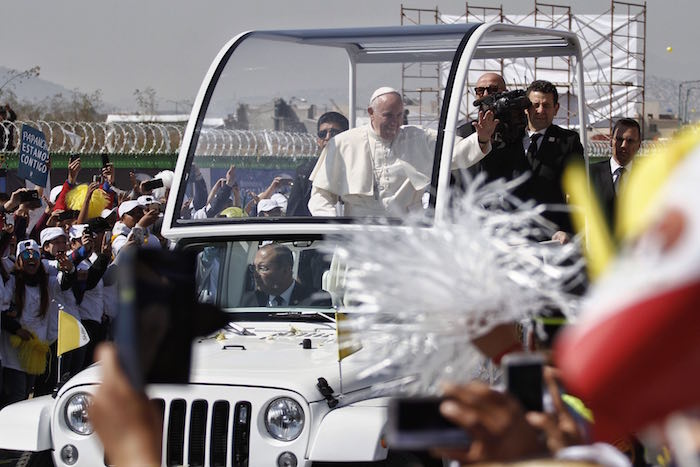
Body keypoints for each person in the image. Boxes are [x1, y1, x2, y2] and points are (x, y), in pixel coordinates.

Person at [308, 87, 495, 217]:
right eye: (388, 116)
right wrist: (332, 225)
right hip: (359, 237)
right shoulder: (343, 144)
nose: (394, 122)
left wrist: (481, 138)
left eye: (399, 116)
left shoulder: (418, 137)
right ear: (371, 112)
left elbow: (455, 153)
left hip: (405, 236)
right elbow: (321, 194)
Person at [286, 112, 349, 217]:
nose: (328, 138)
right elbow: (294, 215)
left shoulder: (359, 167)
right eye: (322, 134)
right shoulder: (305, 173)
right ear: (318, 140)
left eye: (334, 133)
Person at [589, 118, 641, 231]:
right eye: (619, 139)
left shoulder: (646, 177)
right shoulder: (591, 174)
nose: (623, 145)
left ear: (638, 145)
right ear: (611, 141)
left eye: (630, 141)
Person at [239, 244, 329, 307]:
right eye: (254, 268)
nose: (255, 274)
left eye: (262, 268)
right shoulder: (249, 301)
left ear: (285, 270)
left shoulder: (316, 301)